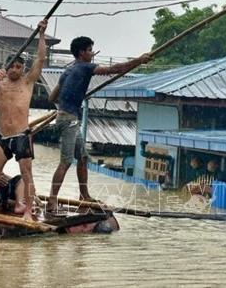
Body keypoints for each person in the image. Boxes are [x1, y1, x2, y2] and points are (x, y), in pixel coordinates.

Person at [46, 36, 152, 213]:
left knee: (83, 157)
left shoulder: (67, 72)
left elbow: (52, 98)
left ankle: (84, 195)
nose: (91, 54)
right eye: (89, 50)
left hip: (67, 118)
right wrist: (139, 61)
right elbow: (114, 70)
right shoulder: (85, 67)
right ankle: (51, 200)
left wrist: (73, 96)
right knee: (65, 162)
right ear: (82, 53)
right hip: (69, 121)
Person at [0, 19, 48, 220]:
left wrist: (41, 34)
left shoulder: (28, 81)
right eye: (11, 66)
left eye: (18, 66)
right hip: (3, 136)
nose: (14, 70)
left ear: (22, 68)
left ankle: (28, 211)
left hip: (22, 135)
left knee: (26, 174)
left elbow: (40, 59)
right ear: (6, 68)